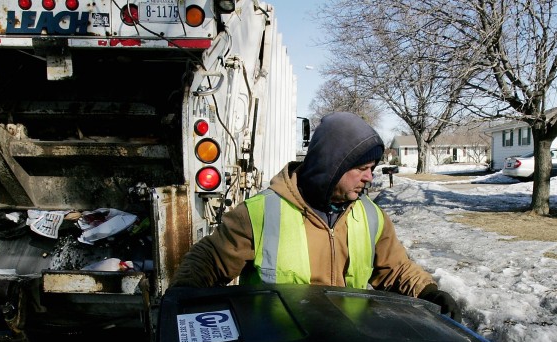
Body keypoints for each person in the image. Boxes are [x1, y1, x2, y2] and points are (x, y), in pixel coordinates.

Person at [171, 112, 461, 320]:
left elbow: (395, 268)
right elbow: (209, 260)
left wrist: (429, 292)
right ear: (332, 166)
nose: (369, 178)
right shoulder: (260, 214)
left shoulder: (371, 216)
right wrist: (182, 294)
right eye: (361, 169)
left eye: (372, 169)